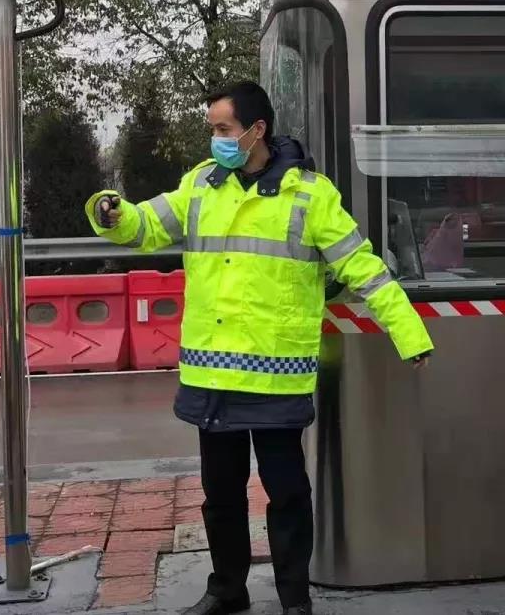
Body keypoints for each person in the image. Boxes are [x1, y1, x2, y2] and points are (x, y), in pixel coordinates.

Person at [85, 81, 434, 615]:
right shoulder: (201, 185)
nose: (216, 139)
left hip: (275, 377)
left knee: (287, 492)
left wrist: (409, 334)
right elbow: (148, 225)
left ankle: (294, 598)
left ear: (257, 130)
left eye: (224, 128)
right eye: (213, 129)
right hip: (212, 376)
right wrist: (112, 213)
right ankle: (228, 589)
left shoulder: (310, 195)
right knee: (220, 494)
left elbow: (362, 267)